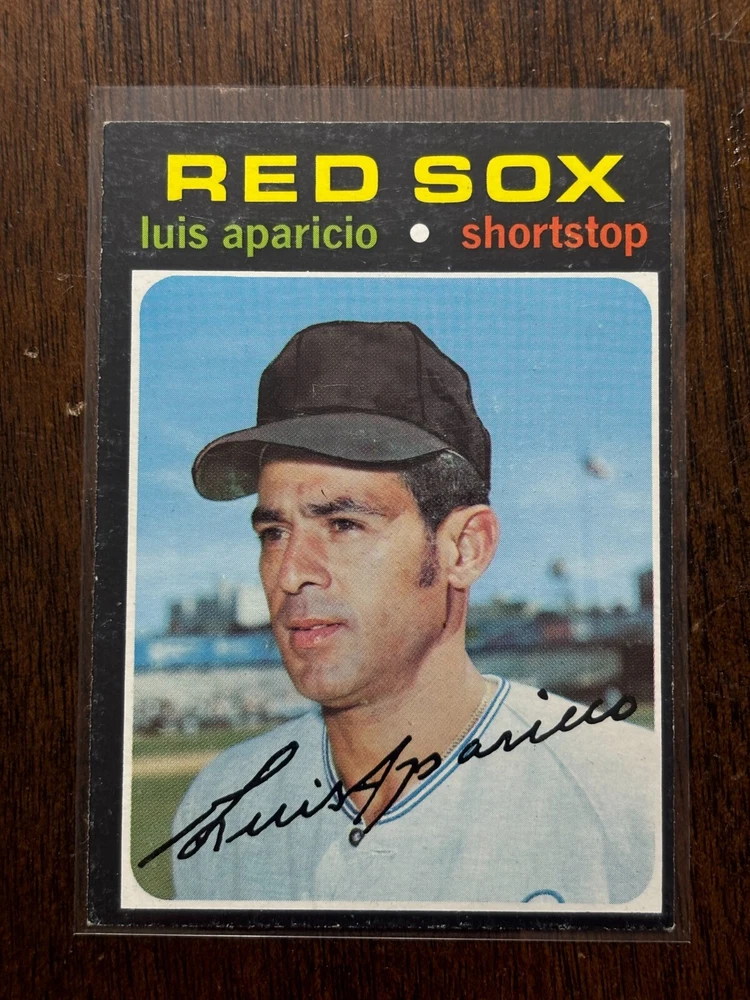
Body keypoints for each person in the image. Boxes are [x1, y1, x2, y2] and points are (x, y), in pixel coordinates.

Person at [169, 320, 656, 906]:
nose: (290, 572)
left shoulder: (631, 796)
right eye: (273, 532)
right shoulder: (219, 807)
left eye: (344, 524)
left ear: (463, 549)